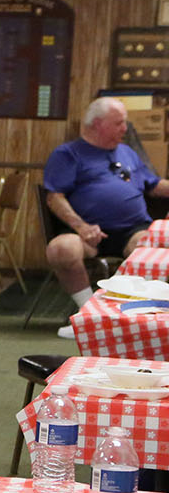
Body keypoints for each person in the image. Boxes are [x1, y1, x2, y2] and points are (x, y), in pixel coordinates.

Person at [43, 96, 169, 337]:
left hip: (133, 230)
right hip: (86, 233)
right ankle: (88, 317)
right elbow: (54, 197)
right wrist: (81, 227)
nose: (126, 128)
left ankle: (132, 318)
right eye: (119, 123)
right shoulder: (68, 154)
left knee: (152, 247)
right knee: (60, 249)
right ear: (98, 124)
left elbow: (153, 185)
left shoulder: (127, 152)